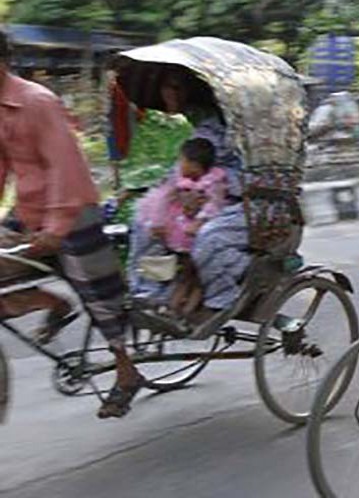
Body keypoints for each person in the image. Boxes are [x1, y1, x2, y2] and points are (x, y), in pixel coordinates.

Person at [0, 29, 142, 418]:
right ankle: (49, 302)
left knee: (100, 297)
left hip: (72, 210)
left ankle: (126, 371)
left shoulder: (37, 102)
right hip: (28, 212)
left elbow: (67, 166)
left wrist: (55, 230)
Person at [127, 67, 248, 321]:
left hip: (238, 201)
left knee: (207, 238)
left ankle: (222, 296)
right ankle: (152, 291)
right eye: (166, 87)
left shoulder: (225, 125)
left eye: (176, 87)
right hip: (199, 196)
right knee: (145, 225)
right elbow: (181, 171)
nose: (169, 93)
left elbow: (242, 173)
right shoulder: (199, 122)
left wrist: (211, 193)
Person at [138, 138, 228, 317]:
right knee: (184, 275)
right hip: (180, 235)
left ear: (194, 165)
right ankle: (173, 307)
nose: (179, 165)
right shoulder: (179, 181)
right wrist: (157, 222)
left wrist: (199, 221)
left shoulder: (213, 182)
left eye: (182, 161)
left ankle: (184, 310)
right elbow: (162, 199)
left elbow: (214, 205)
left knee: (194, 276)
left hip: (198, 238)